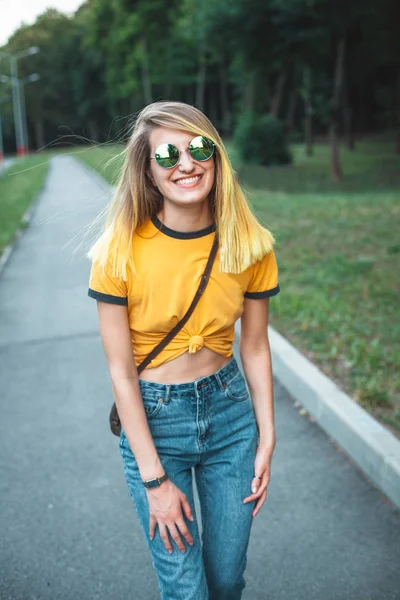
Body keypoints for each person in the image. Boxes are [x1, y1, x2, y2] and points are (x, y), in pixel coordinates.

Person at [87, 100, 280, 600]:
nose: (186, 164)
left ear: (216, 156)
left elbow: (255, 349)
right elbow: (120, 371)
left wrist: (267, 435)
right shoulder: (119, 250)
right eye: (168, 155)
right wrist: (155, 483)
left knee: (226, 579)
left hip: (231, 418)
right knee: (186, 589)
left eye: (199, 148)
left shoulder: (249, 245)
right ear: (150, 173)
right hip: (156, 424)